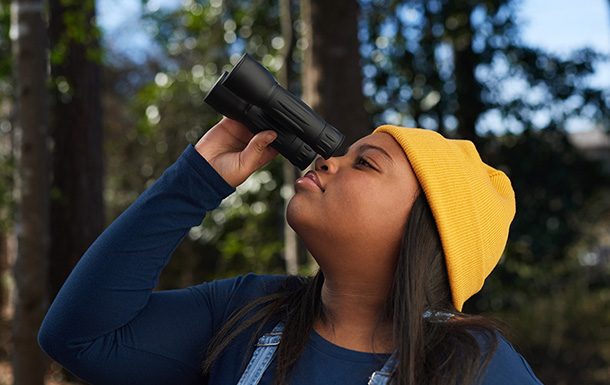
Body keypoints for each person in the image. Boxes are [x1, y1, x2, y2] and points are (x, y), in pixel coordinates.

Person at [38, 116, 544, 385]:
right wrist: (195, 180)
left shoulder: (475, 365)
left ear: (426, 230)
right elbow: (80, 339)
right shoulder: (248, 313)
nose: (328, 162)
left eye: (364, 164)